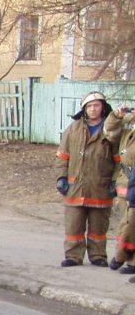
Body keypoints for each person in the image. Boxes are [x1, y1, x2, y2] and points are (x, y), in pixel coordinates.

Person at [55, 91, 120, 267]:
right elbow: (62, 157)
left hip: (101, 188)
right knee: (73, 226)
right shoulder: (73, 129)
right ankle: (73, 256)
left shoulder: (111, 130)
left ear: (103, 107)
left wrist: (115, 181)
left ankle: (98, 255)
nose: (93, 109)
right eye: (89, 106)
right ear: (84, 109)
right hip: (74, 188)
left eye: (96, 105)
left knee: (99, 227)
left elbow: (119, 160)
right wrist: (61, 177)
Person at [106, 105, 135, 274]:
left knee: (131, 222)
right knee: (126, 222)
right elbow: (109, 131)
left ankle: (124, 257)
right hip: (126, 178)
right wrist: (116, 116)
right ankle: (128, 259)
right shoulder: (129, 120)